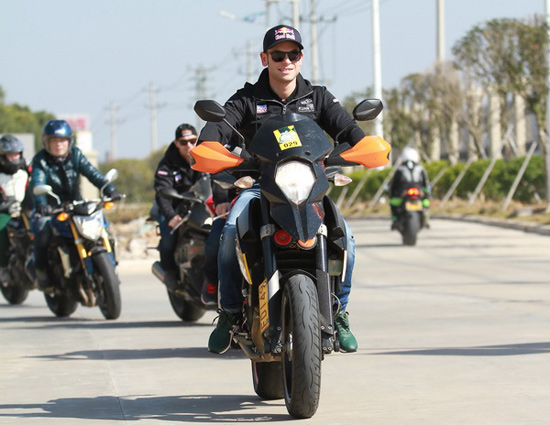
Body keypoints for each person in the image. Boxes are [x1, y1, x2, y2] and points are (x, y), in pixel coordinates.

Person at [198, 24, 369, 354]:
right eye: (278, 55)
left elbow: (347, 128)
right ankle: (229, 313)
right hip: (260, 187)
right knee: (230, 231)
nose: (286, 61)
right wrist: (209, 145)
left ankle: (340, 312)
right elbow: (218, 126)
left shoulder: (318, 97)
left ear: (301, 58)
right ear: (265, 58)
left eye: (293, 54)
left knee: (345, 237)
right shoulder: (247, 99)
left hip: (310, 187)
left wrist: (363, 144)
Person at [30, 119, 122, 292]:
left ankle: (111, 267)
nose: (59, 144)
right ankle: (42, 274)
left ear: (69, 141)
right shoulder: (40, 160)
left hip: (75, 205)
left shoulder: (76, 155)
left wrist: (109, 189)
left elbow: (93, 174)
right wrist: (43, 205)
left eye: (62, 140)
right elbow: (37, 182)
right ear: (47, 142)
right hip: (51, 208)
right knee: (42, 230)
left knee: (103, 225)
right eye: (54, 141)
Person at [154, 123, 220, 304]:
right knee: (168, 238)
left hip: (201, 205)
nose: (189, 145)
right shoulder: (167, 163)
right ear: (177, 143)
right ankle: (169, 273)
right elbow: (162, 191)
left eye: (192, 140)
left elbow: (217, 180)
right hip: (174, 207)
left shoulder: (206, 156)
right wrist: (170, 216)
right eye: (184, 142)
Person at [0, 135, 29, 282]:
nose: (14, 158)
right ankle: (3, 267)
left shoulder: (26, 170)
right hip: (4, 212)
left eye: (16, 154)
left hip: (25, 210)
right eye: (10, 154)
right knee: (1, 229)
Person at [389, 147, 431, 229]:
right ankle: (426, 217)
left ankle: (395, 219)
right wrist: (426, 194)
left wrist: (392, 194)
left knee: (393, 202)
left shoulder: (400, 169)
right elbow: (426, 183)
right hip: (419, 192)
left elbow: (394, 185)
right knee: (426, 203)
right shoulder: (421, 168)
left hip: (403, 193)